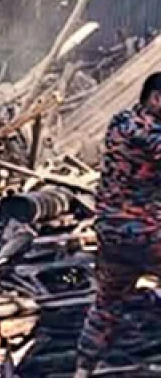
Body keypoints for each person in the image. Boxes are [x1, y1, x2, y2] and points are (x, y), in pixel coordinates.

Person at [73, 72, 161, 378]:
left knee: (106, 307)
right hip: (147, 235)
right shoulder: (152, 134)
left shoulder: (121, 122)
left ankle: (83, 370)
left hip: (111, 235)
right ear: (156, 99)